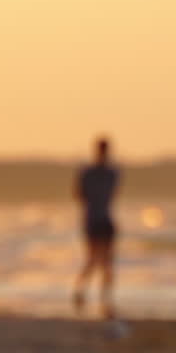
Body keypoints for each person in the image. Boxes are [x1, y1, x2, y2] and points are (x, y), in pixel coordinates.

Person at [73, 136, 120, 317]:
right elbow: (80, 195)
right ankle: (83, 292)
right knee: (94, 259)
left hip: (102, 219)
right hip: (93, 220)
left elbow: (79, 195)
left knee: (106, 261)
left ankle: (104, 297)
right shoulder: (96, 173)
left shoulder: (109, 173)